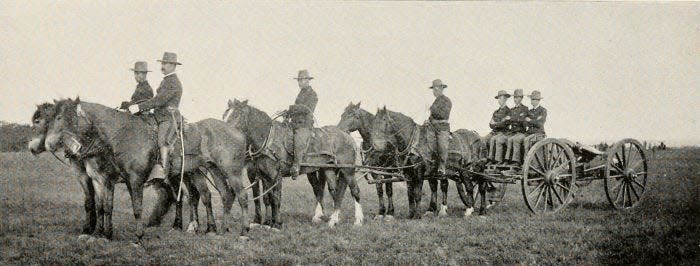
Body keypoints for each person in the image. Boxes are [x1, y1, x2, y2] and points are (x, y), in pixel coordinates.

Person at [133, 52, 183, 181]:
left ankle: (162, 170)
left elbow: (159, 100)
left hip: (168, 117)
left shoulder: (173, 82)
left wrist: (138, 107)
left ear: (173, 65)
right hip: (159, 116)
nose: (162, 66)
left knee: (162, 140)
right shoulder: (166, 80)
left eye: (165, 63)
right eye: (162, 63)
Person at [289, 70, 318, 179]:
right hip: (295, 123)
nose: (300, 82)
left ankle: (296, 165)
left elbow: (307, 109)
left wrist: (292, 108)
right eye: (299, 80)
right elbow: (297, 108)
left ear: (308, 81)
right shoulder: (301, 93)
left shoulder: (312, 94)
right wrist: (289, 112)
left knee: (299, 139)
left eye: (302, 80)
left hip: (304, 125)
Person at [427, 79, 451, 175]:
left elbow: (443, 114)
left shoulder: (447, 100)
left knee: (442, 146)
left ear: (441, 89)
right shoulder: (435, 102)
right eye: (433, 89)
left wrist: (432, 108)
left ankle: (442, 168)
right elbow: (432, 116)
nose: (435, 91)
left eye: (436, 88)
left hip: (442, 128)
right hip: (432, 127)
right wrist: (428, 120)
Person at [483, 90, 511, 163]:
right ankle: (483, 159)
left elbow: (504, 124)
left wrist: (495, 123)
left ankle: (493, 160)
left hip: (503, 132)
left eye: (502, 98)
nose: (500, 100)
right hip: (494, 132)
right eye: (499, 98)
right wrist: (499, 122)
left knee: (494, 140)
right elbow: (490, 124)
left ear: (505, 99)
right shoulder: (496, 112)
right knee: (483, 140)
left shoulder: (509, 111)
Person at [504, 89, 529, 164]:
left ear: (521, 98)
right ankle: (507, 160)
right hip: (512, 132)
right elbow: (507, 121)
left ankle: (516, 161)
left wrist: (511, 118)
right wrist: (515, 119)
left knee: (515, 140)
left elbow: (522, 120)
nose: (515, 99)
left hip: (521, 132)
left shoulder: (525, 109)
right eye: (514, 97)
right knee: (507, 139)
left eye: (517, 97)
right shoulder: (512, 110)